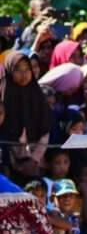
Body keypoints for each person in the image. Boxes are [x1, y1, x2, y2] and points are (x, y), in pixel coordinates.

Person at [0, 51, 53, 184]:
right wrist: (14, 162)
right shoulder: (3, 96)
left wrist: (33, 159)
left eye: (27, 69)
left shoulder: (38, 97)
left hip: (34, 166)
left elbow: (45, 130)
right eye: (18, 69)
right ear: (9, 70)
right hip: (6, 164)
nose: (23, 74)